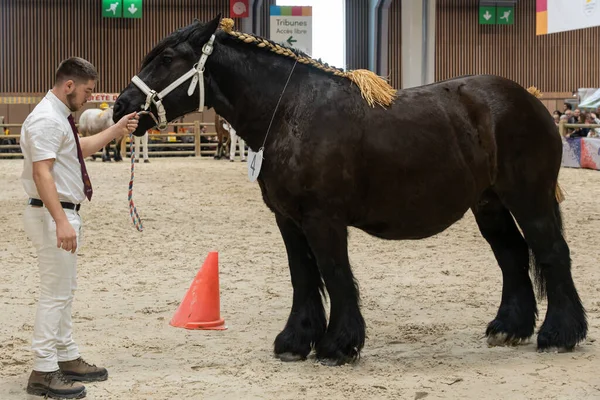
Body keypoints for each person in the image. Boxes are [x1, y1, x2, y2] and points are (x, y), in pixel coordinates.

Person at [20, 57, 139, 399]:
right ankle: (43, 370)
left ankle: (66, 355)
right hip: (52, 213)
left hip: (59, 212)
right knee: (55, 294)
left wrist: (116, 129)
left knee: (64, 291)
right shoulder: (45, 119)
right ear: (69, 85)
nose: (89, 97)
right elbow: (43, 173)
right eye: (87, 91)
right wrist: (60, 220)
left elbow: (79, 151)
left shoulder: (59, 117)